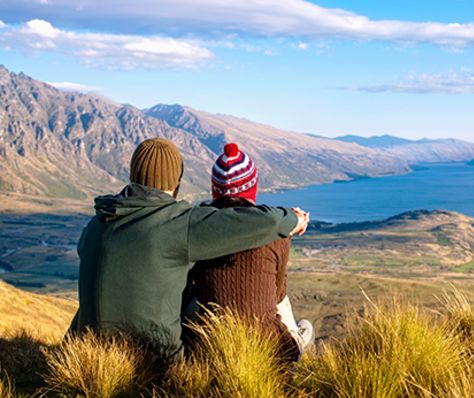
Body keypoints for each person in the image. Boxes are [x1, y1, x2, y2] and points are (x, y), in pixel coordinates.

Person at [69, 137, 309, 361]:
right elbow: (265, 222)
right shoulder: (175, 224)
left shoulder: (97, 222)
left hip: (90, 354)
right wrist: (293, 219)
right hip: (155, 362)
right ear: (176, 182)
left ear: (133, 175)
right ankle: (294, 346)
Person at [182, 143, 314, 363]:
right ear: (252, 187)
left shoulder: (199, 229)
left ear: (216, 189)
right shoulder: (276, 233)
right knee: (281, 299)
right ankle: (296, 348)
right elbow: (278, 293)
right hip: (269, 350)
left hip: (211, 347)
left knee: (194, 298)